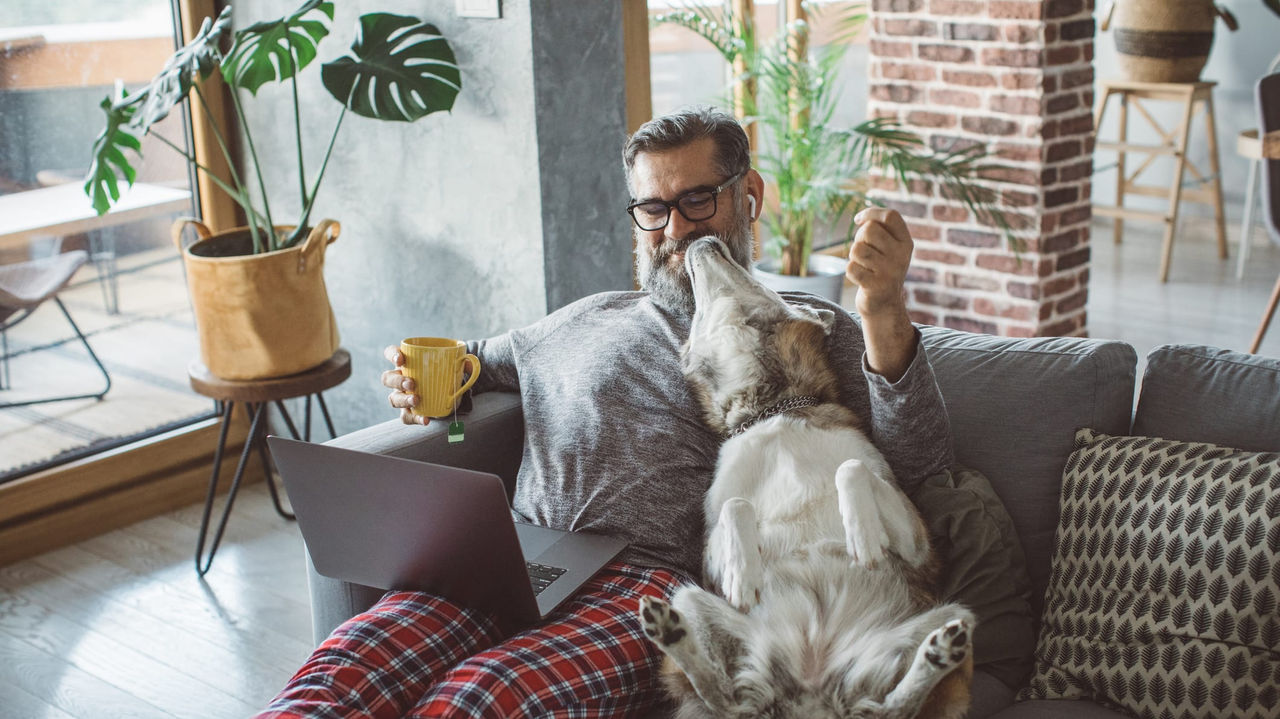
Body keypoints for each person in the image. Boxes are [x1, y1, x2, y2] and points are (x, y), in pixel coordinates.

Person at [256, 105, 954, 718]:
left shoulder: (797, 332)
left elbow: (920, 465)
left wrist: (885, 310)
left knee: (478, 699)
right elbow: (465, 362)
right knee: (337, 673)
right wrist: (420, 382)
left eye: (698, 200)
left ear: (750, 196)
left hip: (638, 585)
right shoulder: (582, 318)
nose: (674, 228)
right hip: (510, 557)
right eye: (654, 209)